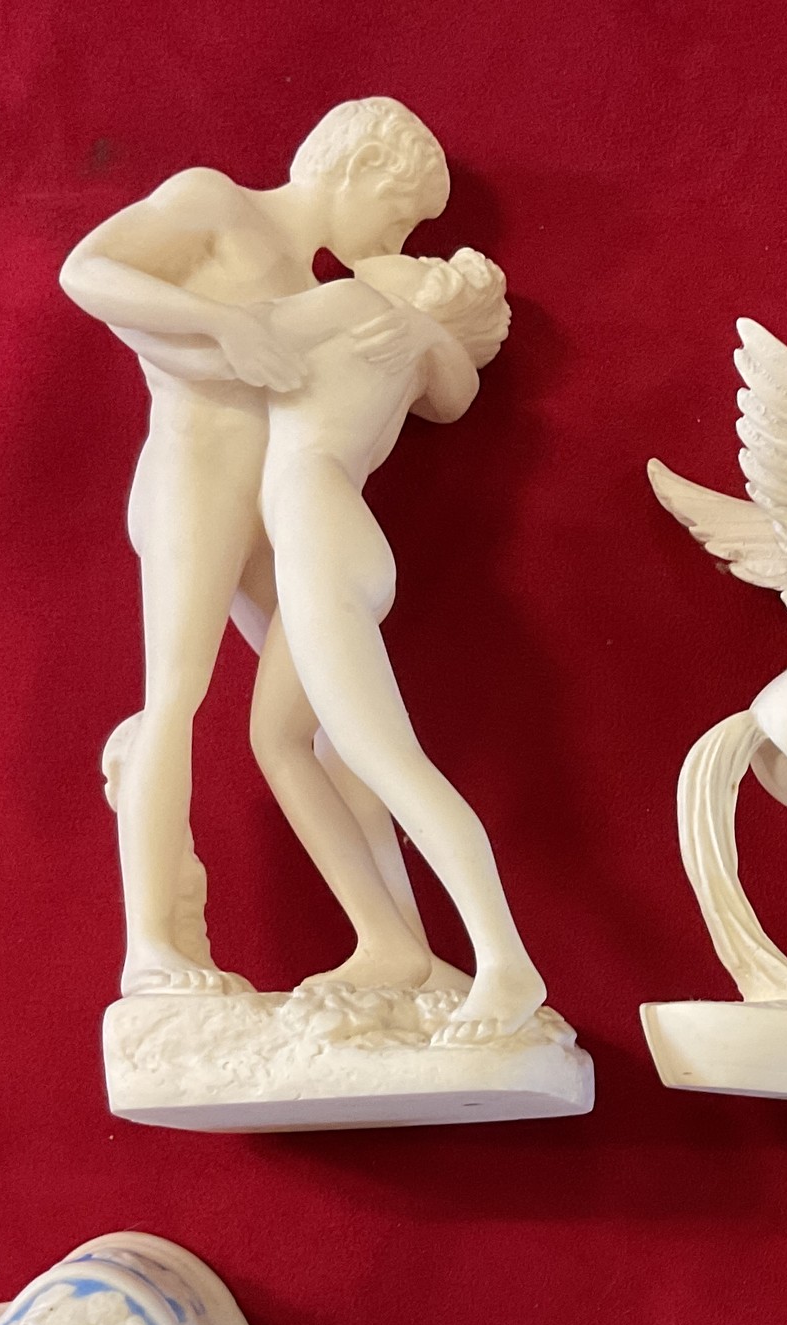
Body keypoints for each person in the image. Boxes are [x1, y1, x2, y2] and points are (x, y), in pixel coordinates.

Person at [60, 99, 455, 999]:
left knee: (332, 718)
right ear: (357, 168)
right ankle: (150, 946)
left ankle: (399, 948)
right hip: (195, 483)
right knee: (175, 698)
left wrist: (426, 329)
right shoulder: (218, 203)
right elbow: (87, 270)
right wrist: (223, 324)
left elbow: (444, 395)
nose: (391, 241)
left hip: (272, 512)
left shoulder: (325, 290)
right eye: (397, 216)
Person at [246, 251, 549, 1042]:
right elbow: (456, 399)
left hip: (318, 529)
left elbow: (243, 327)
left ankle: (505, 959)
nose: (401, 255)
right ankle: (393, 944)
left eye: (419, 262)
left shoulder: (355, 305)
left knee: (385, 758)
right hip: (326, 534)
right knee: (282, 740)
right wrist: (432, 333)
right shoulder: (410, 352)